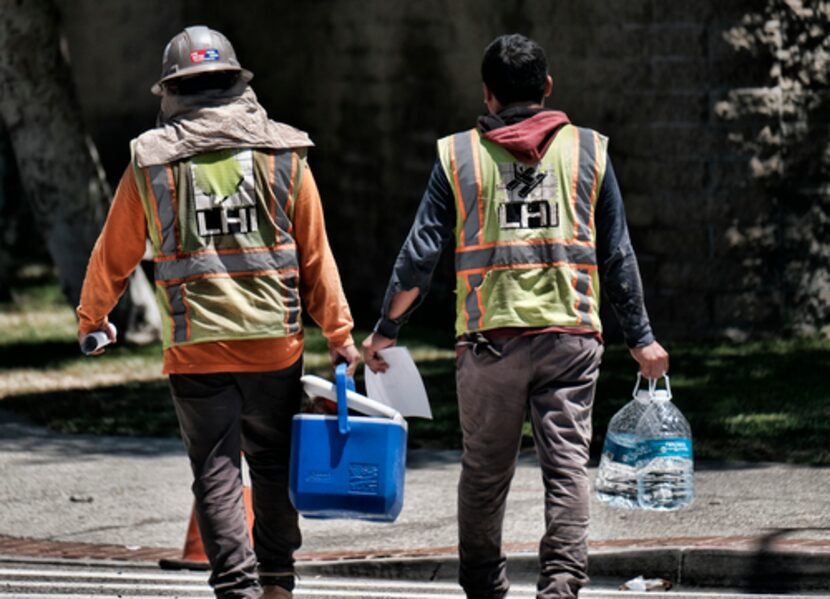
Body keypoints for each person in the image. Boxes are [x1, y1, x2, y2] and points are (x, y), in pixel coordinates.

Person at [362, 33, 669, 599]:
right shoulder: (588, 151)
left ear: (487, 95)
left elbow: (420, 256)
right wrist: (642, 339)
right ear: (547, 88)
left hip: (488, 343)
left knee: (484, 474)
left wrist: (385, 331)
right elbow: (617, 252)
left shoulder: (458, 158)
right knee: (568, 467)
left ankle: (484, 588)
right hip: (571, 336)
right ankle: (560, 587)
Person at [76, 26, 359, 599]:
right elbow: (315, 253)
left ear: (172, 91)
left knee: (217, 474)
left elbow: (115, 251)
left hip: (196, 348)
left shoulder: (152, 164)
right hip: (274, 344)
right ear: (236, 84)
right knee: (274, 466)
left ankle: (236, 588)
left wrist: (92, 318)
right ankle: (277, 583)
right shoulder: (284, 155)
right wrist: (340, 334)